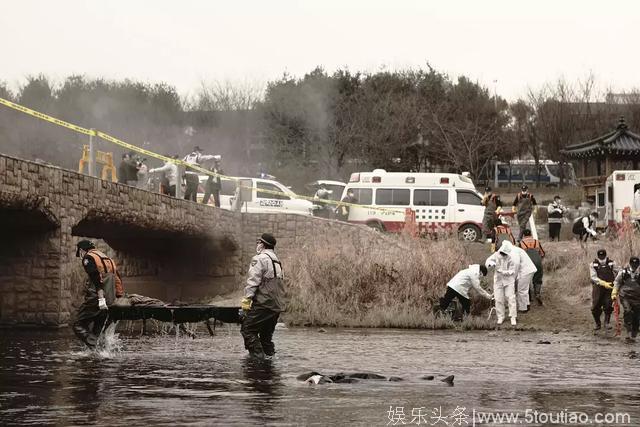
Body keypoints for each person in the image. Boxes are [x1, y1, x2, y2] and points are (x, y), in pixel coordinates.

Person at [240, 233, 286, 359]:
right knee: (266, 337)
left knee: (248, 330)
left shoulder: (259, 258)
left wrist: (245, 302)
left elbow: (253, 282)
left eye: (258, 242)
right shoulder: (277, 261)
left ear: (263, 244)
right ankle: (269, 363)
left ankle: (257, 361)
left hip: (264, 303)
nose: (257, 244)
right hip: (276, 305)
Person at [72, 240, 125, 347]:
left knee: (78, 325)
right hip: (110, 301)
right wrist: (119, 298)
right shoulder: (108, 259)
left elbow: (96, 278)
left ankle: (93, 344)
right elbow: (118, 280)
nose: (81, 256)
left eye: (80, 252)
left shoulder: (89, 257)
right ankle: (100, 353)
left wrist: (101, 299)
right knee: (98, 331)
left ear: (82, 250)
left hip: (96, 299)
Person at [486, 241, 519, 326]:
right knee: (498, 299)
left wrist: (503, 272)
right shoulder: (496, 255)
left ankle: (513, 317)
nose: (503, 254)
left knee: (511, 298)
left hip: (508, 281)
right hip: (498, 280)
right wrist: (491, 263)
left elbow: (512, 271)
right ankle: (501, 316)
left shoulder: (511, 258)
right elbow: (488, 261)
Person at [612, 257, 640, 342]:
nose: (634, 266)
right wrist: (614, 292)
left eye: (636, 264)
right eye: (633, 264)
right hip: (625, 296)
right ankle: (628, 332)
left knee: (637, 316)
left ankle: (634, 334)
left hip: (637, 297)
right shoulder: (623, 272)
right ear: (630, 263)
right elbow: (617, 282)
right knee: (627, 311)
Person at [590, 249, 617, 331]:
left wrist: (616, 284)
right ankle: (597, 323)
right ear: (598, 256)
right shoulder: (593, 264)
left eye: (603, 256)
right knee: (595, 306)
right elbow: (593, 277)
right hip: (598, 288)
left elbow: (618, 272)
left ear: (605, 255)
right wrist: (603, 283)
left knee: (608, 305)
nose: (601, 257)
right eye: (600, 256)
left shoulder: (612, 263)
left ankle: (607, 322)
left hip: (609, 287)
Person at [519, 229, 545, 306]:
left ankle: (528, 296)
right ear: (531, 234)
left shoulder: (521, 243)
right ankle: (537, 293)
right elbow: (543, 254)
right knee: (538, 279)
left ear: (523, 235)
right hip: (537, 262)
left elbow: (519, 255)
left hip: (527, 263)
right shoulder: (536, 242)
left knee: (526, 279)